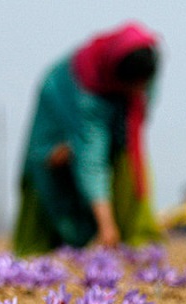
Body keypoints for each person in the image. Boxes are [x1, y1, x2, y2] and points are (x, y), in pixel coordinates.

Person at [12, 21, 164, 256]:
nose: (138, 92)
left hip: (113, 102)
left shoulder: (145, 62)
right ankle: (45, 246)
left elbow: (140, 111)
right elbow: (91, 160)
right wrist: (106, 225)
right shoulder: (89, 92)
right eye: (133, 86)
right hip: (61, 101)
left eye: (142, 86)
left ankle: (136, 239)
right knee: (52, 161)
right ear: (119, 78)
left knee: (128, 155)